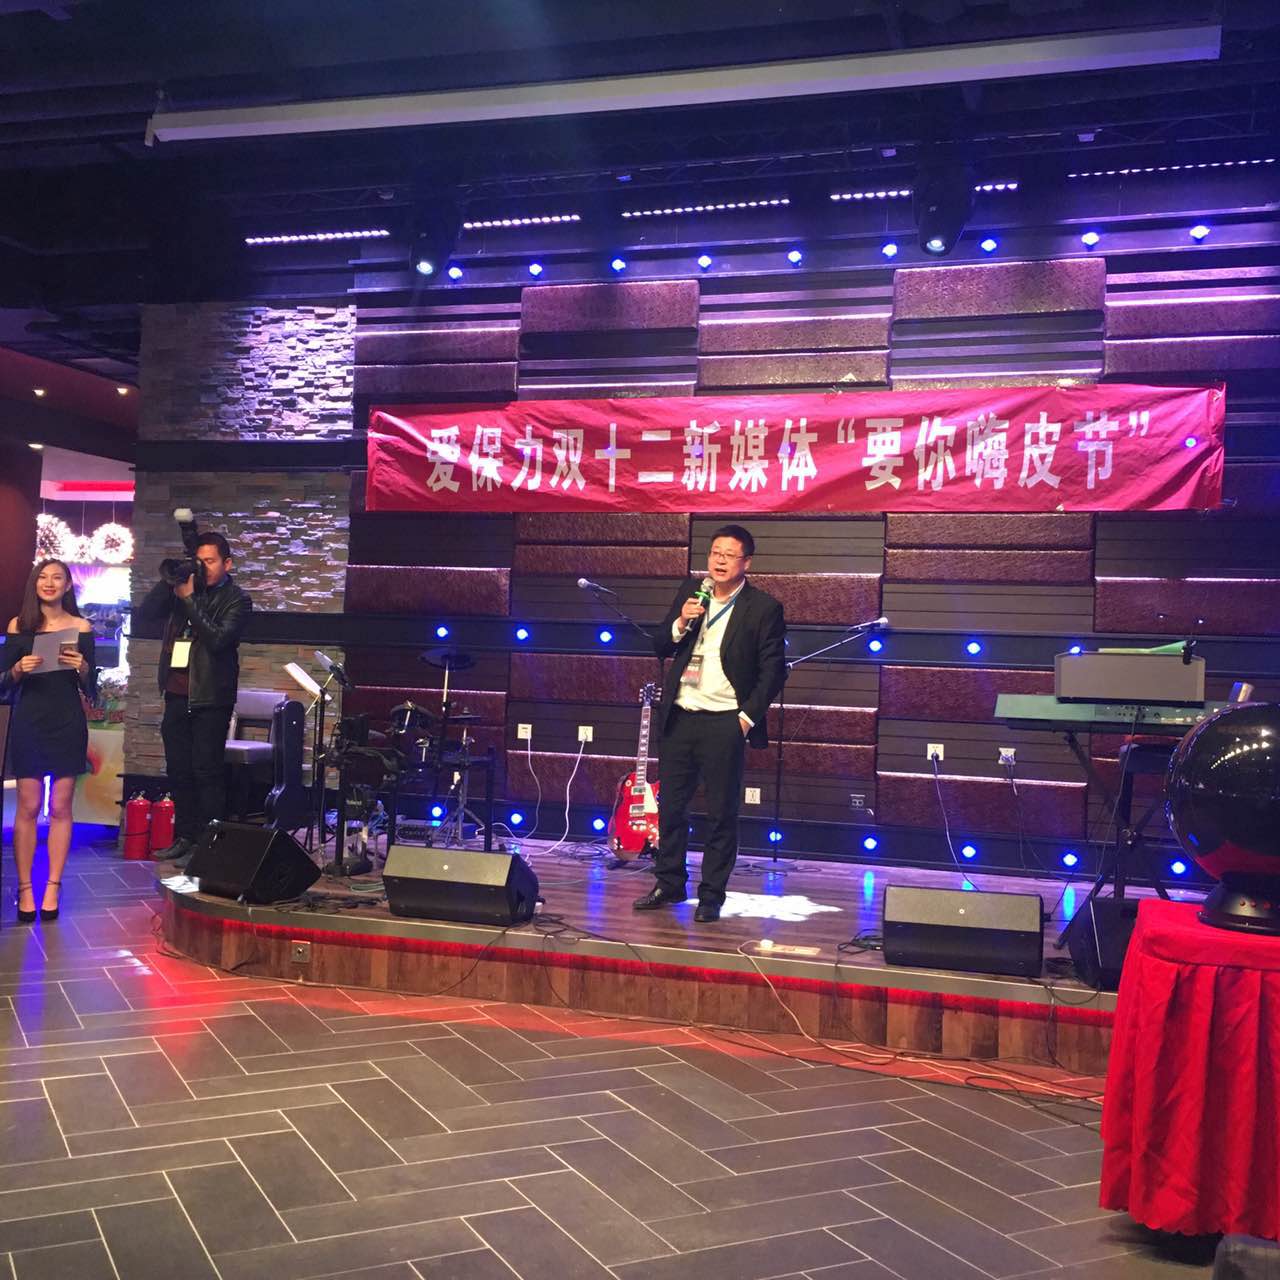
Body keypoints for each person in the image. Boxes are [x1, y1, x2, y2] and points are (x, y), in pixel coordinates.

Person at [634, 524, 786, 923]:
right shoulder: (692, 592)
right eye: (715, 553)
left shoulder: (763, 608)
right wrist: (681, 622)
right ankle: (669, 882)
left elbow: (774, 671)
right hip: (681, 716)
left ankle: (712, 894)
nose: (720, 561)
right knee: (671, 808)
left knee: (721, 813)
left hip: (725, 722)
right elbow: (660, 644)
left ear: (746, 562)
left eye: (729, 555)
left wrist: (745, 719)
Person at [135, 531, 251, 862]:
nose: (203, 568)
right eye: (198, 561)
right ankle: (185, 836)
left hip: (210, 698)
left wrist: (189, 600)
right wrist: (171, 580)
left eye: (210, 561)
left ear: (227, 564)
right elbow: (146, 614)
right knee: (179, 770)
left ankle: (208, 845)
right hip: (176, 695)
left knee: (206, 772)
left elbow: (218, 639)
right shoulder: (183, 590)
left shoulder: (237, 600)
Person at [2, 559, 96, 922]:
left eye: (57, 577)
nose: (50, 582)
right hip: (29, 719)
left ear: (68, 585)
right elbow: (2, 681)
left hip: (67, 720)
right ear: (34, 583)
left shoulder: (81, 626)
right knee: (27, 806)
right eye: (43, 577)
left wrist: (82, 667)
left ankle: (53, 886)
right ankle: (26, 888)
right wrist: (17, 669)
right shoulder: (19, 625)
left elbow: (92, 686)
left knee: (60, 806)